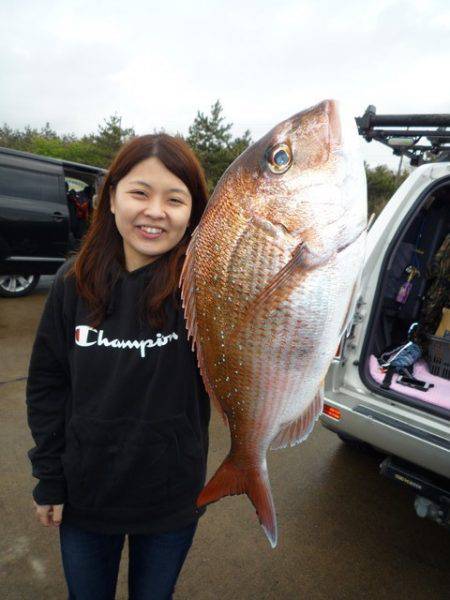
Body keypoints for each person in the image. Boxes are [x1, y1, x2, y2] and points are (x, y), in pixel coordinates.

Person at [26, 134, 211, 600]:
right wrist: (49, 478)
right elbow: (48, 384)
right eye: (139, 192)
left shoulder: (205, 288)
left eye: (175, 199)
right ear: (111, 199)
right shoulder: (73, 281)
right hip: (87, 495)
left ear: (194, 212)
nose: (155, 211)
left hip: (170, 494)